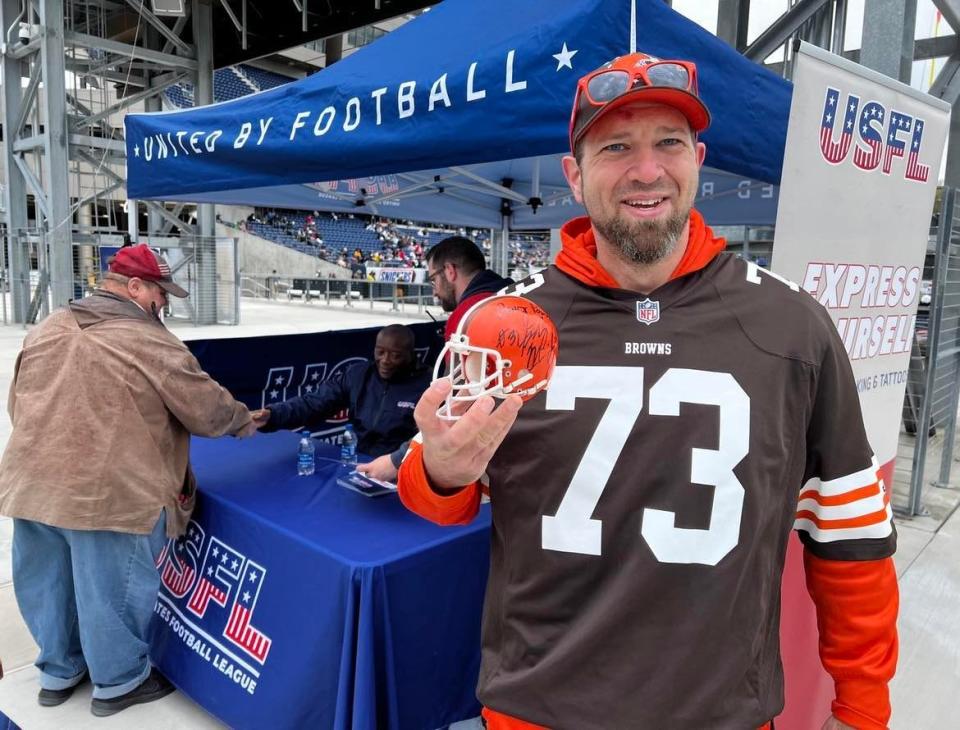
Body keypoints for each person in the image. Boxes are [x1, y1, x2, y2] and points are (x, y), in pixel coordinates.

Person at [397, 51, 898, 730]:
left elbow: (851, 537)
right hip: (537, 713)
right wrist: (440, 473)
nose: (646, 170)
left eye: (669, 142)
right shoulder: (504, 326)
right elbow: (434, 498)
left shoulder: (791, 325)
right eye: (616, 147)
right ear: (574, 174)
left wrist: (862, 707)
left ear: (698, 158)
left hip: (722, 716)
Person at [0, 244, 257, 716]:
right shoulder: (149, 339)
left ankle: (58, 673)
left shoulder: (48, 326)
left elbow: (17, 403)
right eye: (161, 294)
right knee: (109, 591)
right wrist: (242, 419)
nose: (165, 305)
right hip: (106, 494)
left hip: (29, 482)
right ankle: (118, 683)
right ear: (135, 288)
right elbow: (206, 410)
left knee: (48, 584)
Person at [252, 325, 430, 479]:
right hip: (357, 464)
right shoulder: (357, 374)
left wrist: (397, 462)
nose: (385, 360)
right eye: (380, 352)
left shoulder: (429, 384)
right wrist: (273, 415)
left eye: (395, 355)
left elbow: (430, 438)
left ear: (410, 355)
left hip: (400, 470)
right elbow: (313, 403)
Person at [425, 236, 512, 339]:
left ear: (450, 271)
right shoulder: (515, 295)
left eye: (434, 280)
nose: (434, 292)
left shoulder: (464, 318)